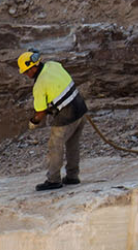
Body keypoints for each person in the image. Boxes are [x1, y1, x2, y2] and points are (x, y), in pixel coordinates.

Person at [18, 49, 88, 191]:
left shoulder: (39, 85)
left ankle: (53, 180)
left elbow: (40, 112)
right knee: (72, 145)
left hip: (68, 114)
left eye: (26, 71)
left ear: (33, 67)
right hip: (80, 107)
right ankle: (72, 176)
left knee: (55, 145)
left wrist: (33, 122)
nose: (26, 75)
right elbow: (58, 88)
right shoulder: (53, 65)